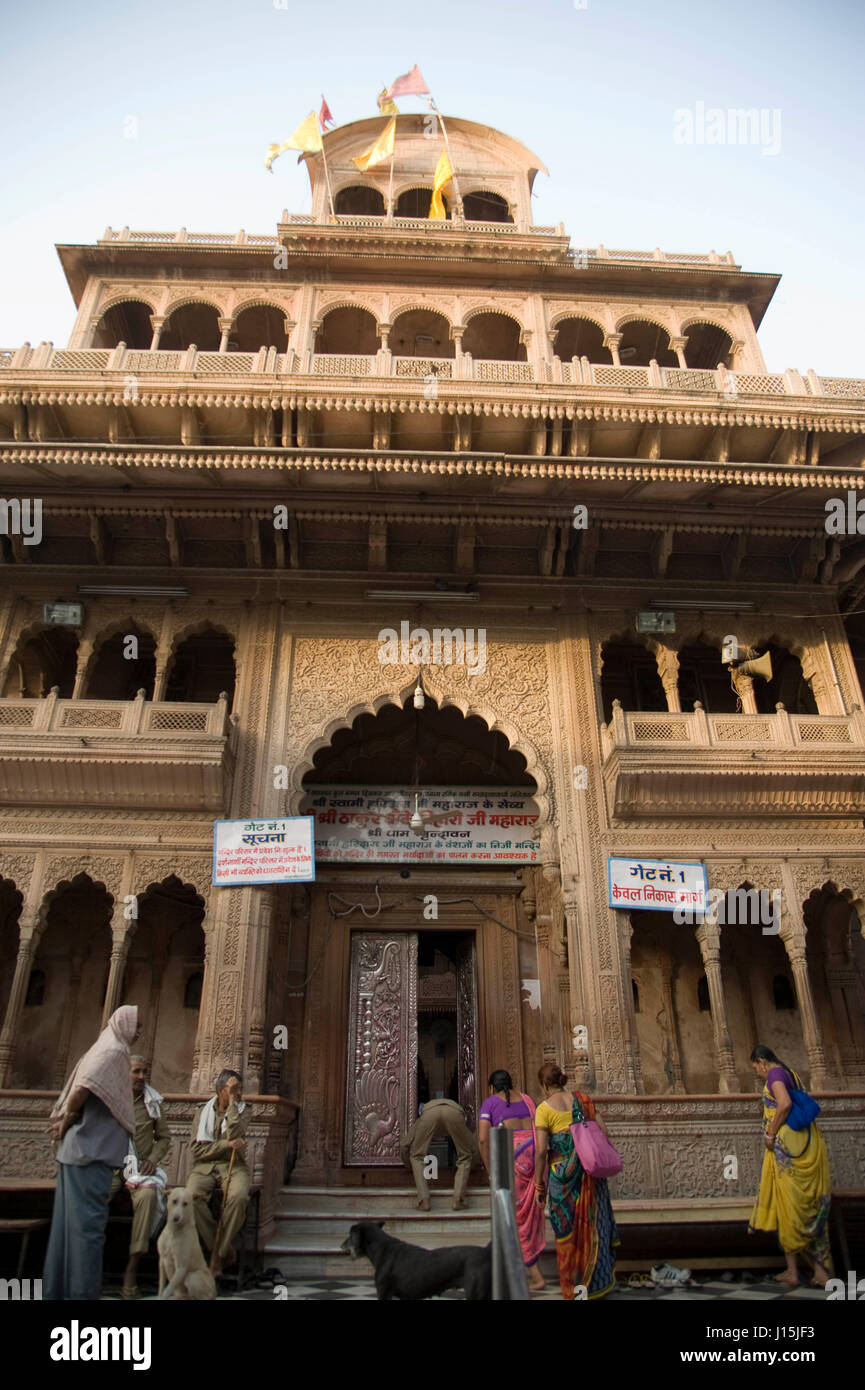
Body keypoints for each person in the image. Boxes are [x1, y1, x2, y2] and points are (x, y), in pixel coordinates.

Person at [43, 1004, 140, 1300]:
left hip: (79, 1153)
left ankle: (56, 1292)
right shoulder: (113, 1051)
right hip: (89, 1154)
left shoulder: (104, 1046)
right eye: (137, 1025)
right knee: (87, 1232)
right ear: (124, 1024)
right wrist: (69, 1116)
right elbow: (85, 1085)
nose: (139, 1032)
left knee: (65, 1233)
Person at [748, 1044, 833, 1287]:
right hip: (807, 1144)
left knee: (790, 1206)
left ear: (762, 1062)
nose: (760, 1075)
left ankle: (796, 1272)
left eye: (757, 1070)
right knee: (809, 1207)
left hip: (788, 1148)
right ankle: (818, 1272)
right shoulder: (790, 1073)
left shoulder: (774, 1074)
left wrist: (770, 1133)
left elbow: (784, 1104)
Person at [533, 1061, 619, 1300]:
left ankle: (576, 1287)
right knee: (594, 1223)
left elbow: (541, 1150)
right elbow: (603, 1131)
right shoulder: (584, 1100)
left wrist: (539, 1184)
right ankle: (598, 1282)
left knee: (567, 1231)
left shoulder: (544, 1109)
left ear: (543, 1085)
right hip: (589, 1173)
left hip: (561, 1177)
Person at [109, 1054, 171, 1298]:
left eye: (144, 1072)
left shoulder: (152, 1102)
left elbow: (164, 1138)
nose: (141, 1077)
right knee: (93, 1199)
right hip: (111, 1167)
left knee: (148, 1198)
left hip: (139, 1171)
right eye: (136, 1071)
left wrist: (152, 1160)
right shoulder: (110, 1099)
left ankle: (132, 1268)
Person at [479, 1068, 546, 1291]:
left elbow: (482, 1139)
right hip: (535, 1159)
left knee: (515, 1217)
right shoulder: (529, 1100)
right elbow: (540, 1131)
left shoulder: (490, 1103)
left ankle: (535, 1276)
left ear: (492, 1087)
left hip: (513, 1160)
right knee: (530, 1214)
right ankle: (516, 1267)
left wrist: (491, 1172)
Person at [187, 1069, 250, 1275]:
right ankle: (220, 1248)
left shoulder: (242, 1110)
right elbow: (197, 1149)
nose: (238, 1093)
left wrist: (232, 1103)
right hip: (204, 1167)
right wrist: (225, 1145)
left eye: (240, 1089)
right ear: (220, 1090)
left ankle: (218, 1254)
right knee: (191, 1198)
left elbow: (236, 1133)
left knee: (239, 1197)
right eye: (233, 1090)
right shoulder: (202, 1111)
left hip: (233, 1165)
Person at [400, 1096, 477, 1211]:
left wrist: (409, 1165)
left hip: (429, 1113)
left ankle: (424, 1201)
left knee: (417, 1156)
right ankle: (458, 1200)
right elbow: (473, 1146)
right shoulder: (455, 1111)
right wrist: (474, 1167)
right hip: (454, 1113)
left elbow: (404, 1144)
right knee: (465, 1156)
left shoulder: (423, 1116)